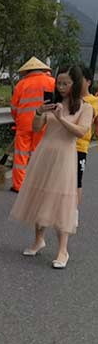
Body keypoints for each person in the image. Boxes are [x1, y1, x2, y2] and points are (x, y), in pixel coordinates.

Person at [10, 65, 93, 269]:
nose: (61, 87)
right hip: (44, 153)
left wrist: (61, 118)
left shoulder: (85, 107)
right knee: (40, 195)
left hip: (65, 156)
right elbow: (36, 127)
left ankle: (62, 250)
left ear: (75, 84)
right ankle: (39, 240)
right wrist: (39, 112)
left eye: (66, 83)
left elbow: (81, 132)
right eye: (59, 83)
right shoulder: (52, 103)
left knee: (61, 199)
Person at [9, 57, 55, 193]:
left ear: (27, 71)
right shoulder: (52, 82)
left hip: (23, 124)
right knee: (38, 154)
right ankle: (37, 183)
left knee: (20, 156)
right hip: (43, 123)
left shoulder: (21, 84)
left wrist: (17, 120)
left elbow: (14, 107)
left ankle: (18, 185)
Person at [76, 66, 98, 227]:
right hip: (62, 145)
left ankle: (72, 211)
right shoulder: (69, 97)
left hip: (80, 147)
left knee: (77, 181)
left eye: (79, 79)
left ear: (88, 82)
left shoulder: (95, 102)